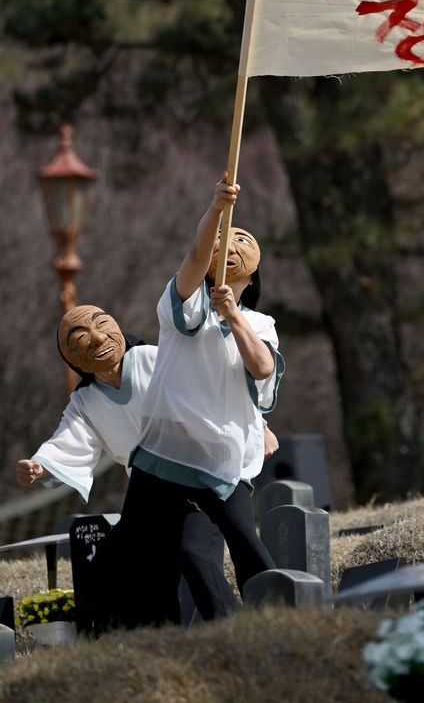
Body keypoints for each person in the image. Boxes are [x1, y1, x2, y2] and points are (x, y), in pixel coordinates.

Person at [16, 303, 279, 626]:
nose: (98, 339)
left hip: (200, 478)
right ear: (71, 357)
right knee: (105, 568)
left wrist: (262, 426)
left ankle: (240, 629)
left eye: (101, 325)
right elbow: (66, 440)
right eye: (81, 337)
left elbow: (215, 385)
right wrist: (40, 467)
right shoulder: (85, 402)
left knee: (196, 555)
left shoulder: (154, 359)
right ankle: (151, 641)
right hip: (151, 496)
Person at [109, 174, 285, 628]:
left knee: (245, 543)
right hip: (163, 455)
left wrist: (232, 316)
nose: (230, 245)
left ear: (251, 273)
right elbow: (194, 256)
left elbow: (262, 368)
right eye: (223, 241)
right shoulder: (181, 308)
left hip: (220, 463)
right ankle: (149, 642)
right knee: (142, 556)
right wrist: (215, 209)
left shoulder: (260, 323)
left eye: (240, 241)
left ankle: (279, 623)